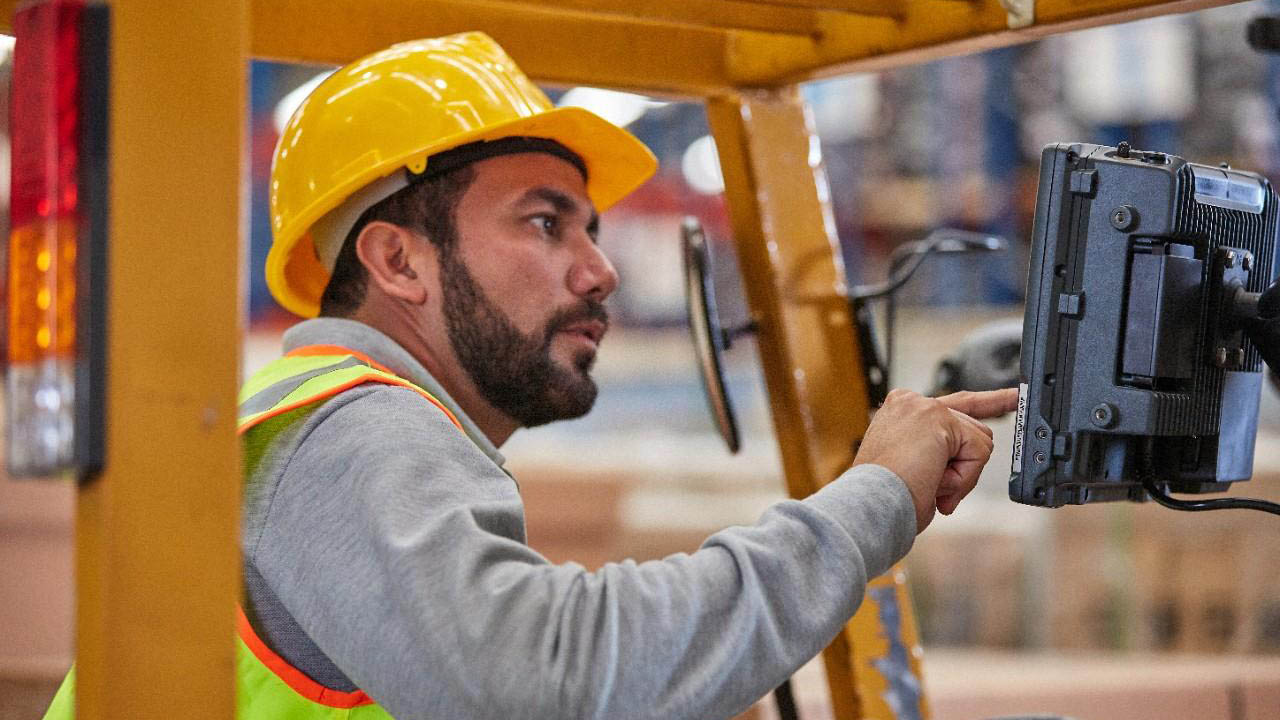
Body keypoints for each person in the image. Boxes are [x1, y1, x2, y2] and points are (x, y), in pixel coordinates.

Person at [45, 31, 1017, 720]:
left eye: (588, 231)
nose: (598, 270)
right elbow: (543, 684)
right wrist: (874, 495)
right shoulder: (346, 432)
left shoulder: (341, 430)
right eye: (545, 223)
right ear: (397, 263)